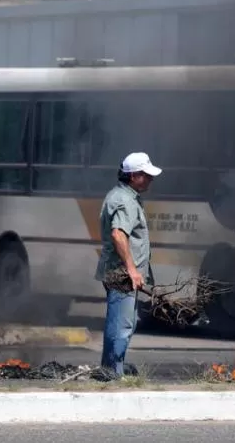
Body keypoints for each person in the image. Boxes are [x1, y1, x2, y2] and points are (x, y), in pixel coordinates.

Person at [95, 151, 162, 378]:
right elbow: (118, 234)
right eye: (146, 175)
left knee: (122, 323)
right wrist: (132, 271)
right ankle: (112, 372)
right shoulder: (124, 200)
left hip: (120, 272)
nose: (151, 179)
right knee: (122, 326)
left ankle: (111, 369)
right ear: (133, 175)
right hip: (121, 274)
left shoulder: (124, 195)